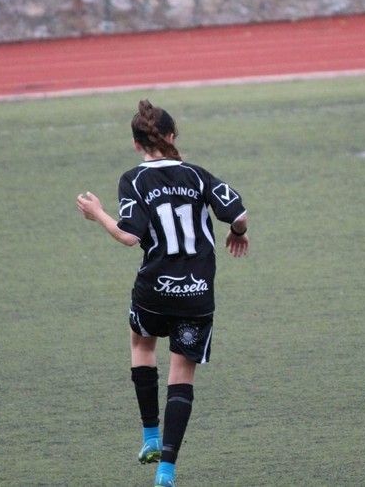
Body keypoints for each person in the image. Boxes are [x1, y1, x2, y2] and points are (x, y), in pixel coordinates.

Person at [77, 99, 249, 487]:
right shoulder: (197, 175)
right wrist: (237, 233)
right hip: (197, 292)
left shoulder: (133, 180)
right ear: (172, 137)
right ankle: (166, 470)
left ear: (136, 144)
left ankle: (150, 436)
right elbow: (238, 214)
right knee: (181, 375)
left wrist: (98, 214)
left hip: (154, 290)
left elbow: (128, 235)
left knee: (142, 346)